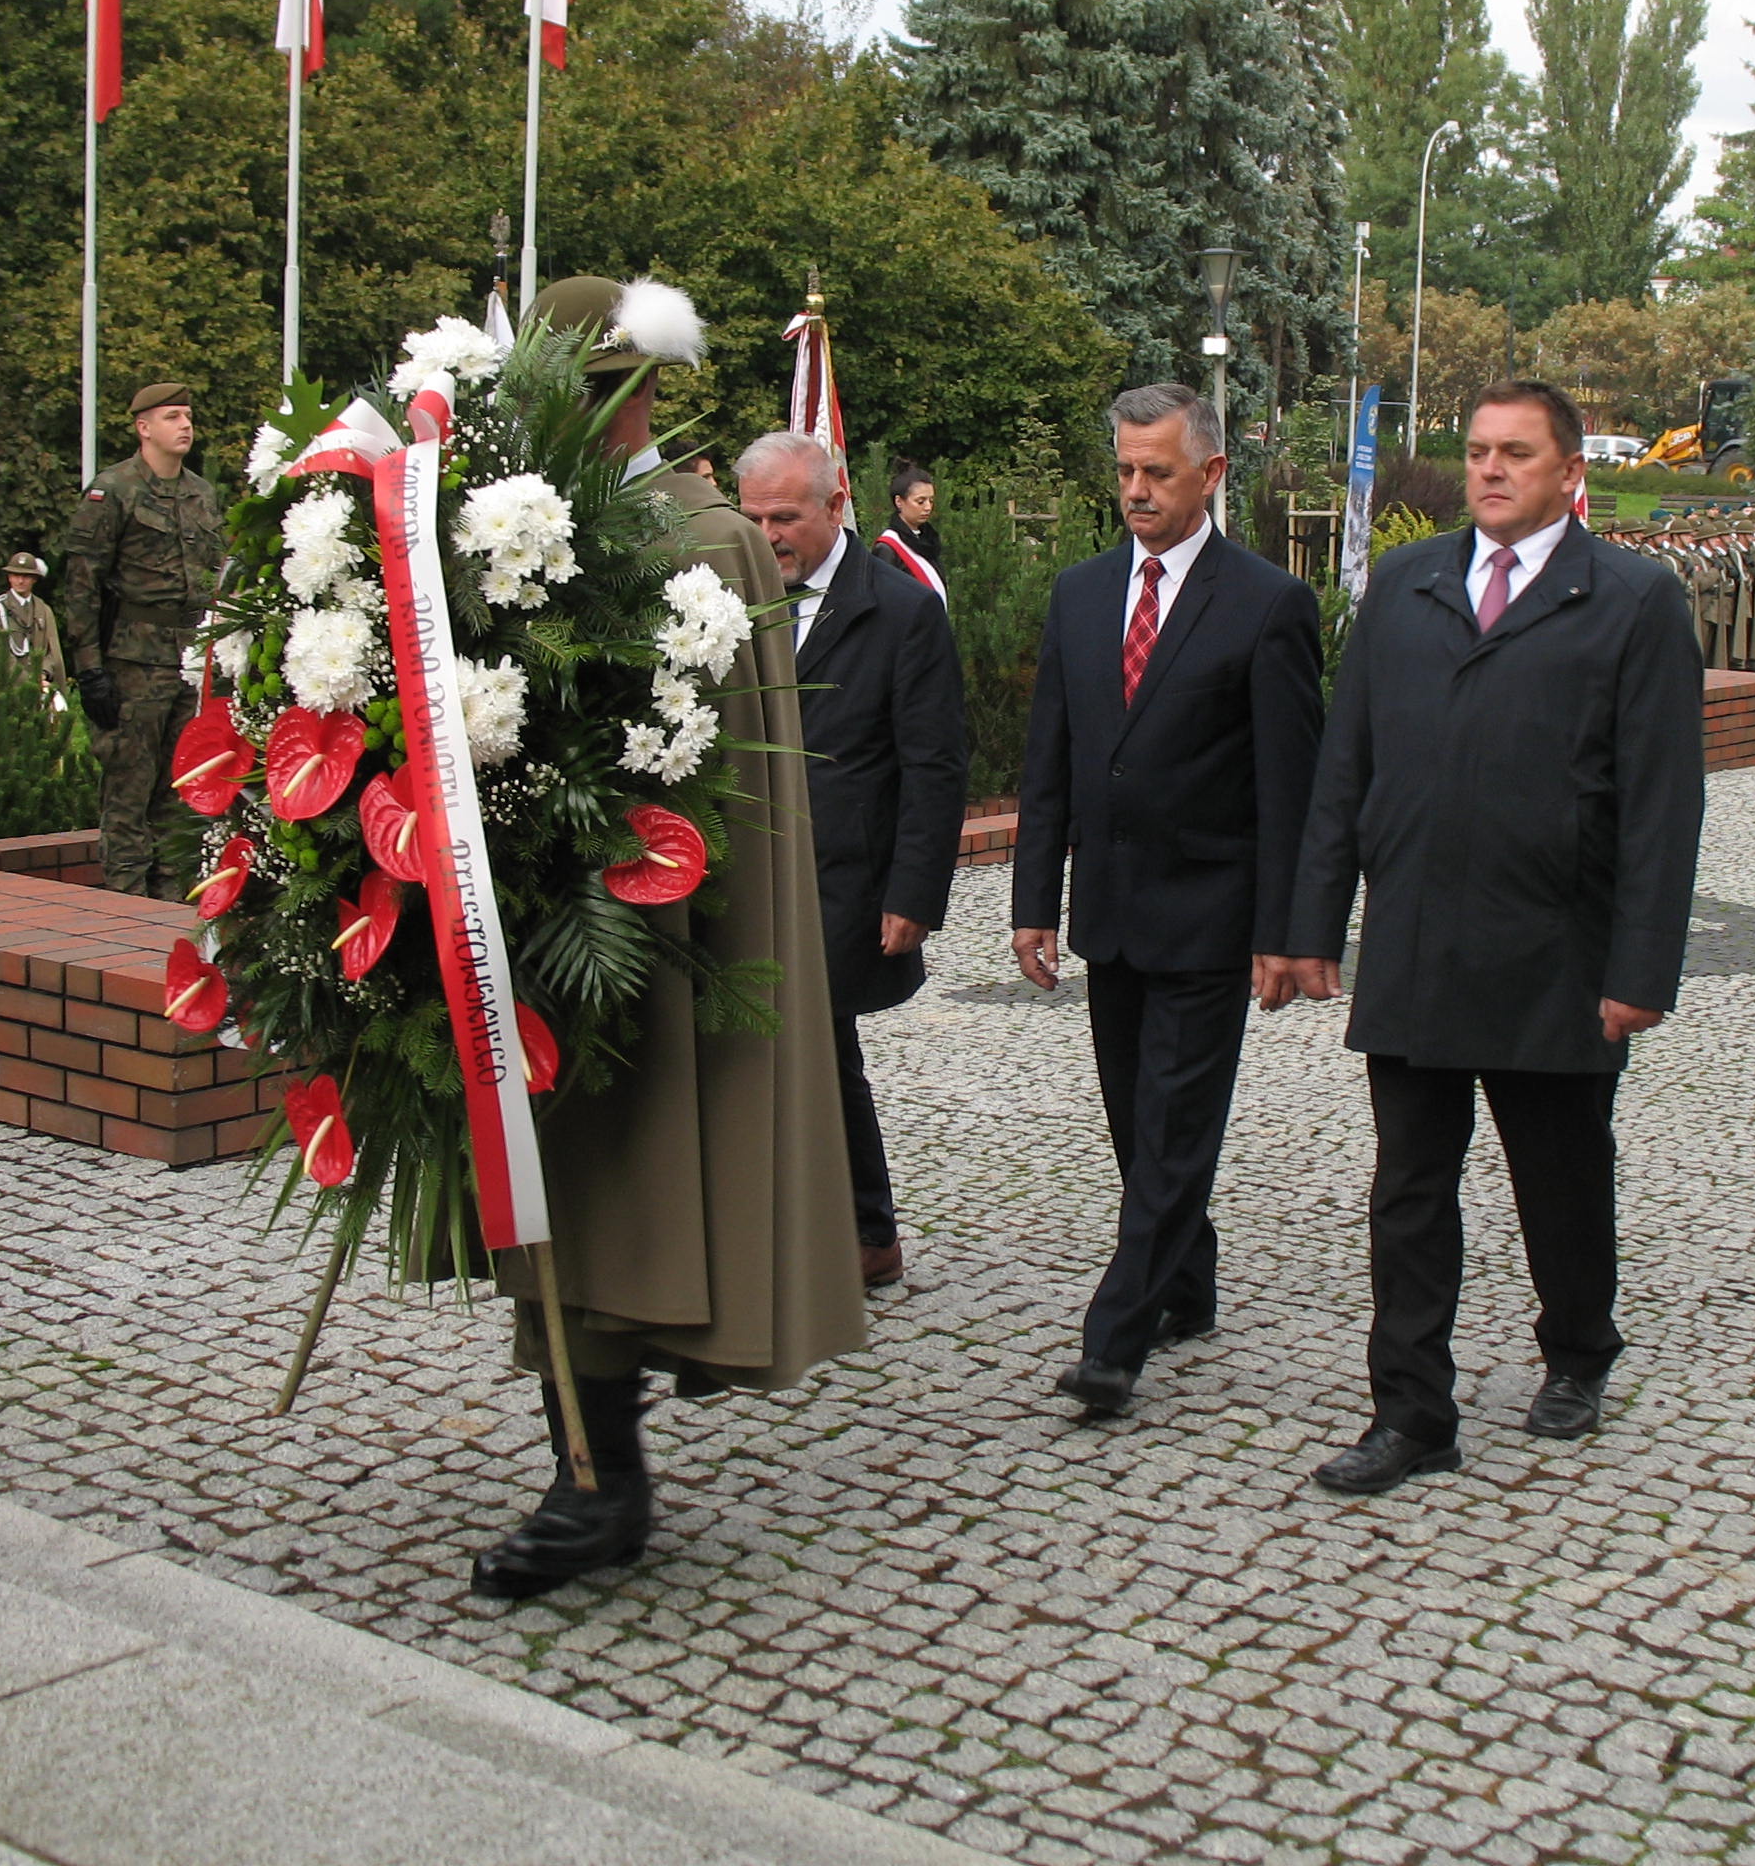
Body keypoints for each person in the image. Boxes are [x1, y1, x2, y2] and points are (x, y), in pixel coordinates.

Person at [472, 276, 863, 1601]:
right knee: (565, 1205)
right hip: (545, 928)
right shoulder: (517, 524)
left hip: (656, 933)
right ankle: (592, 1475)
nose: (572, 417)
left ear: (638, 395)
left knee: (625, 1198)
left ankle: (597, 1485)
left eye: (591, 393)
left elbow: (731, 772)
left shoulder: (705, 536)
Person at [1279, 380, 1703, 1494]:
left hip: (1555, 950)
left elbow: (1663, 805)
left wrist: (1640, 969)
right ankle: (1412, 1411)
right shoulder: (1407, 585)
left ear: (1571, 472)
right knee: (1408, 1192)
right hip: (1418, 940)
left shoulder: (1632, 599)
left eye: (1516, 452)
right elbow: (1346, 766)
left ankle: (1579, 1348)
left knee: (1560, 1179)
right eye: (1477, 451)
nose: (1491, 470)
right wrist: (1313, 921)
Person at [1011, 383, 1322, 1420]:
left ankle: (1114, 1344)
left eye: (1158, 471)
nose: (1137, 490)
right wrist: (1034, 900)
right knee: (1138, 1130)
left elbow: (1290, 789)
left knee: (1175, 1127)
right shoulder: (1081, 593)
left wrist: (1285, 932)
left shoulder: (1267, 604)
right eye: (1125, 470)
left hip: (1211, 919)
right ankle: (1187, 1283)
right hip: (1110, 912)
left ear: (1212, 474)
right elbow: (1050, 761)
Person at [734, 429, 969, 1290]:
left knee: (819, 1046)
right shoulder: (723, 599)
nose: (767, 537)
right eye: (754, 519)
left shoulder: (901, 611)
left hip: (842, 877)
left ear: (837, 506)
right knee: (782, 1051)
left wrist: (915, 893)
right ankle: (823, 1224)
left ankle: (864, 1232)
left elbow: (935, 766)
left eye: (785, 518)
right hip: (740, 872)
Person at [64, 384, 225, 896]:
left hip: (190, 659)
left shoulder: (201, 493)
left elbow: (217, 576)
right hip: (132, 663)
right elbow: (82, 585)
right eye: (172, 416)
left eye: (188, 415)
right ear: (143, 428)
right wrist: (90, 669)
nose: (185, 425)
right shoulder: (113, 491)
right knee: (128, 791)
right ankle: (127, 905)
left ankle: (171, 903)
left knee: (180, 789)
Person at [0, 553, 68, 700]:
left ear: (34, 579)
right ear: (9, 577)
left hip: (41, 684)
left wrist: (43, 673)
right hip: (9, 688)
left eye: (26, 576)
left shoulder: (44, 610)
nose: (20, 581)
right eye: (16, 575)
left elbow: (52, 650)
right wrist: (28, 681)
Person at [876, 463, 947, 598]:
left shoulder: (929, 541)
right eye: (920, 501)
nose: (928, 507)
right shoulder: (887, 547)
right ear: (899, 502)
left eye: (931, 501)